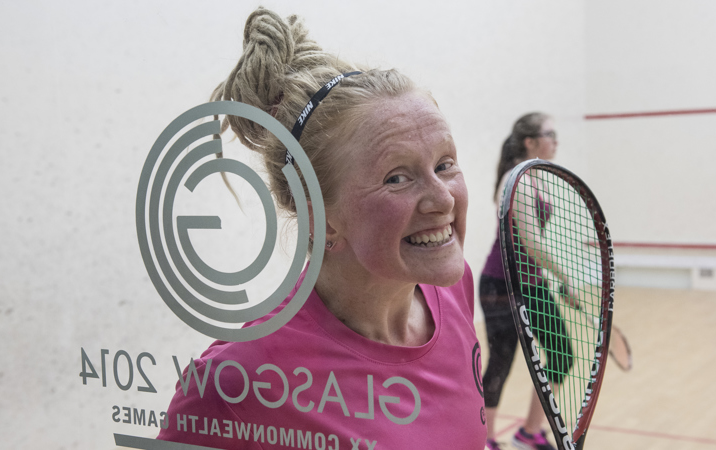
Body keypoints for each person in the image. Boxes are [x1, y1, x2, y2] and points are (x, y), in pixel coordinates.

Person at [157, 8, 486, 449]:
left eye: (445, 164)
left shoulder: (453, 288)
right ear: (321, 218)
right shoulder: (236, 381)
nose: (443, 198)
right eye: (397, 177)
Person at [481, 113, 574, 450]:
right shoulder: (515, 178)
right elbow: (532, 242)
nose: (556, 140)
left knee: (562, 354)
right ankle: (486, 439)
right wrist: (566, 279)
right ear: (530, 142)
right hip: (501, 284)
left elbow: (531, 248)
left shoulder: (536, 176)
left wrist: (557, 282)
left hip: (532, 283)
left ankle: (529, 432)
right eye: (551, 134)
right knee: (502, 359)